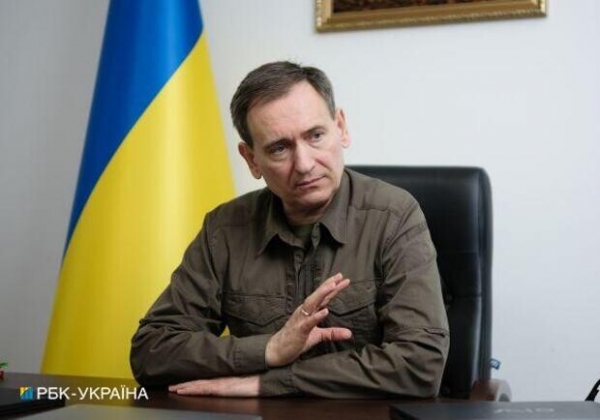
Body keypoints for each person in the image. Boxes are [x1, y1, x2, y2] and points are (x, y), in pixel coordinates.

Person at [130, 61, 449, 398]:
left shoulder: (394, 217)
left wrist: (267, 383)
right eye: (279, 148)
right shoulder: (224, 229)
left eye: (315, 136)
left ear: (340, 127)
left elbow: (421, 364)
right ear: (251, 159)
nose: (305, 164)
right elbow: (151, 351)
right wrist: (270, 349)